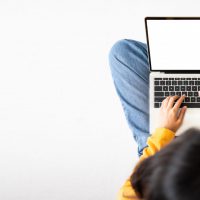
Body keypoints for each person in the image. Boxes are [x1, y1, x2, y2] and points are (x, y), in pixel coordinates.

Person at [108, 39, 200, 200]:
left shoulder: (142, 191)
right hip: (180, 158)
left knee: (122, 52)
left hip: (162, 156)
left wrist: (165, 131)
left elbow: (129, 192)